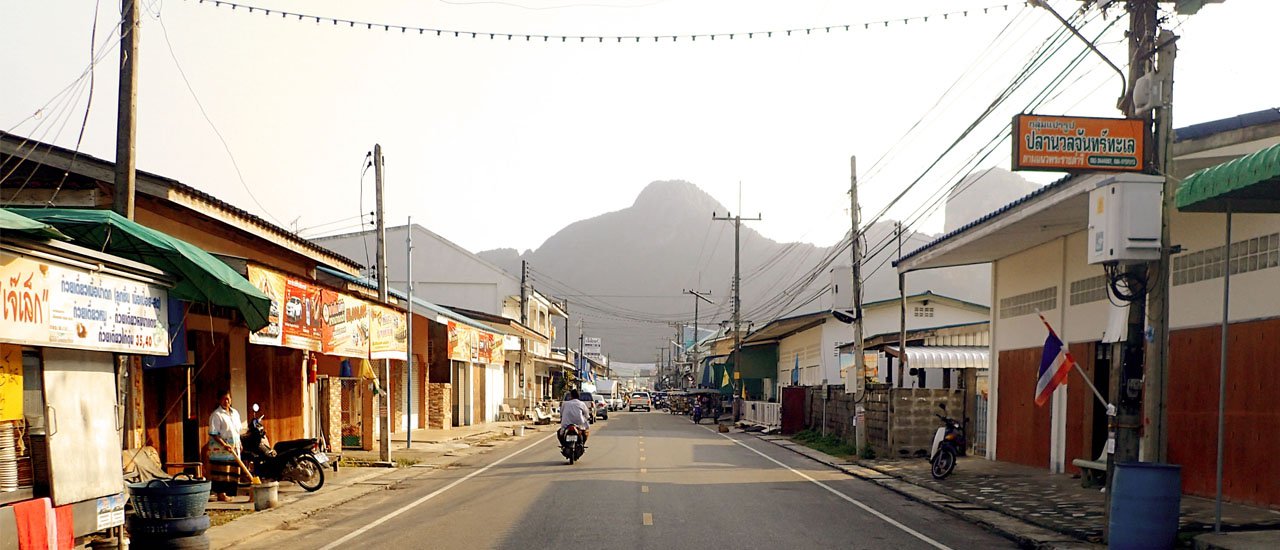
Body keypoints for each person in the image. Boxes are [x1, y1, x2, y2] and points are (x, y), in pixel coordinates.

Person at [207, 389, 244, 502]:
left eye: (227, 399)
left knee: (232, 471)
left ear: (231, 400)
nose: (226, 401)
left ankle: (229, 493)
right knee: (221, 472)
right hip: (221, 448)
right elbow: (214, 433)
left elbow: (237, 431)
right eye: (223, 399)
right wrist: (224, 445)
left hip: (234, 447)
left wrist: (240, 444)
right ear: (219, 400)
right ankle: (221, 494)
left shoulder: (235, 413)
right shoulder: (216, 415)